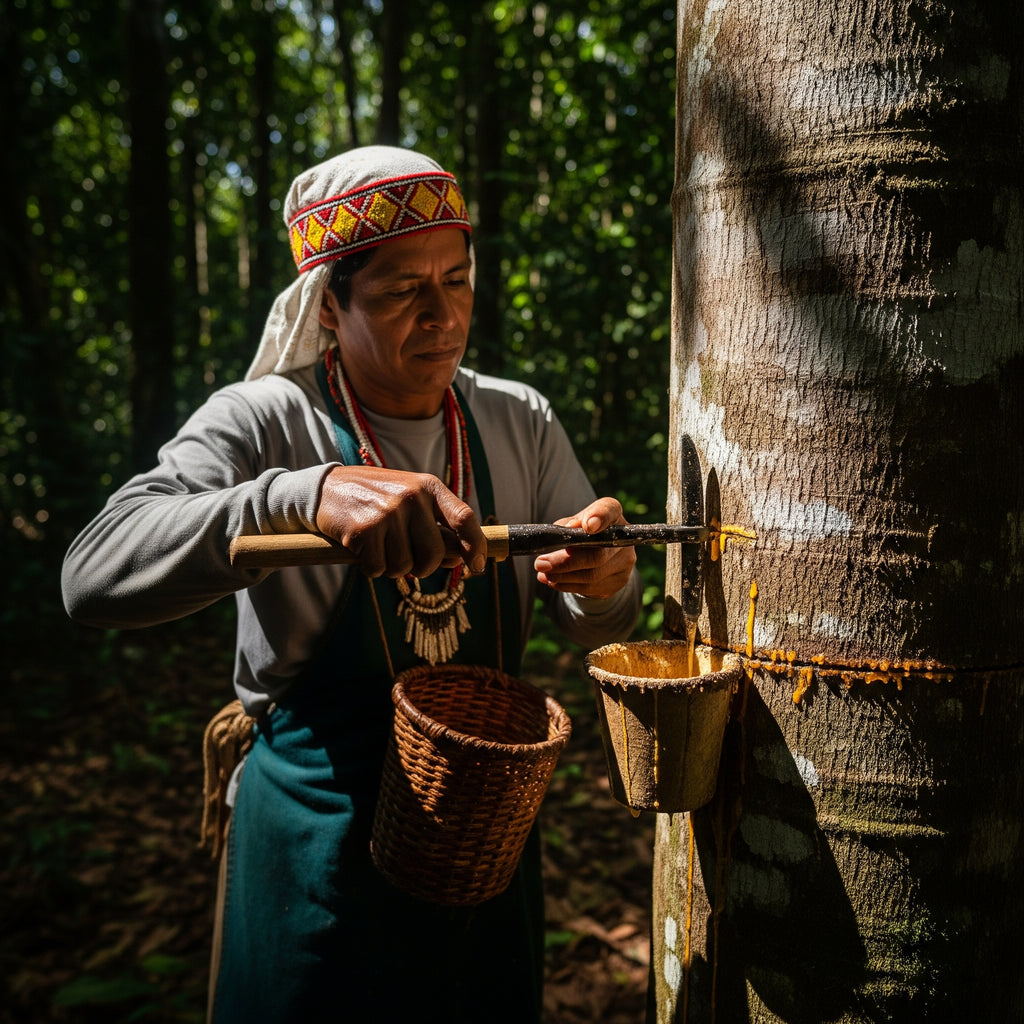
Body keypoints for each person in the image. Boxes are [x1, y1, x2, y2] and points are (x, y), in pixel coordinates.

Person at [62, 145, 641, 1023]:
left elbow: (596, 626)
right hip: (314, 846)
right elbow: (92, 572)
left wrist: (602, 581)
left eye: (457, 280)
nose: (442, 317)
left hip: (483, 833)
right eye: (403, 290)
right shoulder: (266, 420)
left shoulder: (516, 420)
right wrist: (307, 493)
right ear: (328, 307)